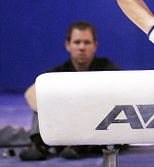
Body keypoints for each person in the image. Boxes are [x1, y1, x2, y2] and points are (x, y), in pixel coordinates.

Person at [19, 21, 120, 161]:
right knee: (42, 97)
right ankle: (38, 145)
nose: (82, 47)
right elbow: (30, 93)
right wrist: (60, 110)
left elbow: (118, 97)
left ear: (95, 45)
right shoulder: (57, 73)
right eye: (77, 42)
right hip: (65, 125)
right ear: (68, 45)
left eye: (87, 42)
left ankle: (80, 146)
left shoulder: (108, 69)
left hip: (96, 128)